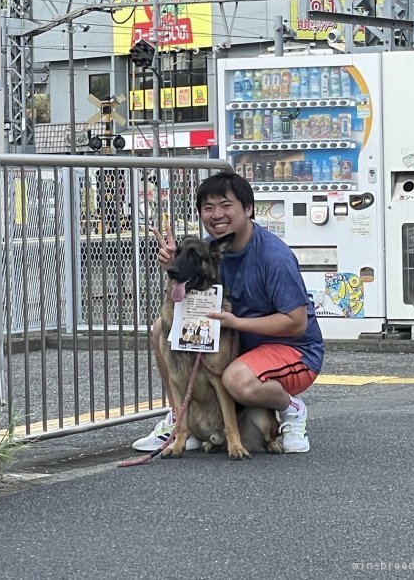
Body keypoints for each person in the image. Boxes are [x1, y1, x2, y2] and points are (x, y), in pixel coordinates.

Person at [133, 172, 324, 454]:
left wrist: (237, 322)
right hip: (240, 344)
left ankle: (291, 408)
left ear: (248, 209)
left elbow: (296, 324)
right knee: (163, 328)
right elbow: (191, 300)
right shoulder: (209, 248)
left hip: (292, 350)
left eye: (225, 205)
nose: (216, 215)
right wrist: (175, 268)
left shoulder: (273, 256)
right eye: (207, 208)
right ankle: (180, 418)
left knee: (235, 379)